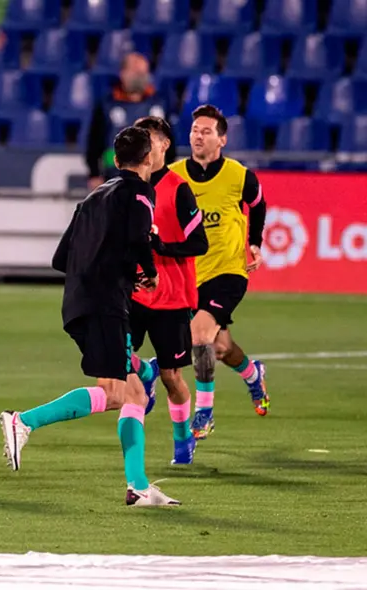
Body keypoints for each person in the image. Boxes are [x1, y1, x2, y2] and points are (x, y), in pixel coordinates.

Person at [0, 126, 181, 507]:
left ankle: (139, 486)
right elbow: (139, 239)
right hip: (106, 305)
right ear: (148, 158)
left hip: (79, 302)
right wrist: (145, 273)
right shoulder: (140, 191)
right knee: (115, 393)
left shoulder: (93, 197)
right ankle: (24, 421)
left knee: (132, 390)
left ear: (115, 160)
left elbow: (59, 259)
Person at [169, 105, 269, 440]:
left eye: (206, 131)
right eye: (195, 129)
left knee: (199, 335)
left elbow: (258, 203)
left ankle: (204, 413)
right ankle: (254, 374)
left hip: (228, 271)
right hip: (190, 274)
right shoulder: (174, 174)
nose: (198, 135)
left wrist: (254, 242)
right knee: (220, 348)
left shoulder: (239, 176)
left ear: (222, 139)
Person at [126, 116, 208, 465]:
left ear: (163, 146)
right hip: (135, 291)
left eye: (151, 138)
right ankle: (146, 372)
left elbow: (199, 243)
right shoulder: (127, 187)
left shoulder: (178, 188)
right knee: (118, 358)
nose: (145, 143)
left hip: (172, 296)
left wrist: (161, 246)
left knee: (174, 376)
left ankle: (182, 440)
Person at [85, 52, 169, 189]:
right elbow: (94, 143)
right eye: (137, 73)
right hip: (114, 180)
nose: (141, 77)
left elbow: (170, 144)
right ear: (123, 73)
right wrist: (94, 174)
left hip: (153, 182)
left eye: (144, 73)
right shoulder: (107, 105)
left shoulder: (159, 104)